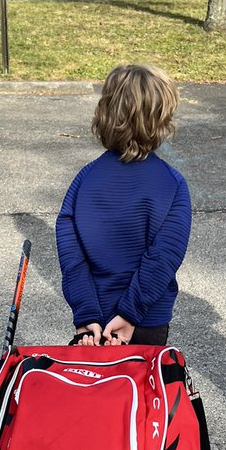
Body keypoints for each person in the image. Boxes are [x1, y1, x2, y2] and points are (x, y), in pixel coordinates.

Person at [56, 63, 191, 348]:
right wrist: (129, 314)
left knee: (93, 390)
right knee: (140, 390)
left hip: (93, 323)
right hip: (145, 319)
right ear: (161, 120)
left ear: (104, 114)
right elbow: (163, 259)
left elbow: (72, 256)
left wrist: (86, 313)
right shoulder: (173, 184)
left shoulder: (83, 180)